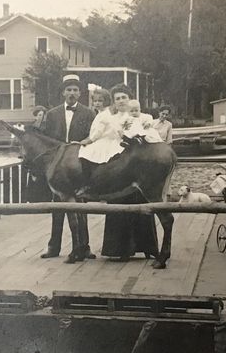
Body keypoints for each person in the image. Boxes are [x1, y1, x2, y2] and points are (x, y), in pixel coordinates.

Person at [80, 83, 159, 262]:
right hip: (118, 159)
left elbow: (147, 130)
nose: (121, 101)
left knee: (142, 201)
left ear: (129, 99)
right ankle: (121, 248)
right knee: (119, 201)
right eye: (118, 99)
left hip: (136, 160)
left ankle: (147, 247)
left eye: (124, 97)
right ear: (114, 102)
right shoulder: (111, 116)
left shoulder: (137, 114)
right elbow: (99, 133)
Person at [40, 74, 96, 262]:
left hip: (77, 166)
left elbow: (93, 137)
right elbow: (46, 140)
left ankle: (84, 247)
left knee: (81, 207)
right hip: (57, 168)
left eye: (75, 90)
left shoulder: (89, 113)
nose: (72, 93)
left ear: (80, 93)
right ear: (63, 93)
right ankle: (53, 247)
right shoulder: (52, 113)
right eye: (68, 90)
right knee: (57, 207)